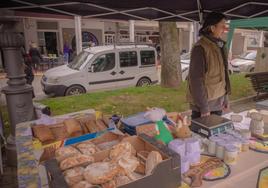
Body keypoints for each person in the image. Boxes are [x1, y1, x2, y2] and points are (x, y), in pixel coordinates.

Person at [187, 12, 231, 119]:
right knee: (201, 135)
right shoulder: (200, 48)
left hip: (218, 103)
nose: (225, 29)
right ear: (212, 28)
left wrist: (225, 98)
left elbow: (224, 75)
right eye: (222, 26)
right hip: (204, 107)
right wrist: (204, 107)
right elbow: (196, 80)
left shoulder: (219, 46)